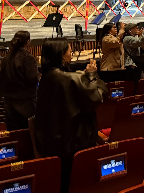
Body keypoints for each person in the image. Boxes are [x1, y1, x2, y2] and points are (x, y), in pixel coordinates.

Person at [34, 39, 107, 193]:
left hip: (52, 143)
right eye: (69, 50)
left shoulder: (46, 77)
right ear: (61, 54)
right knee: (76, 183)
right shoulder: (68, 79)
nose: (71, 53)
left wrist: (85, 76)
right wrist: (93, 75)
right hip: (72, 144)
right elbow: (98, 96)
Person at [0, 31, 38, 131]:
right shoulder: (27, 58)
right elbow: (32, 79)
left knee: (14, 133)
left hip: (9, 101)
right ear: (28, 42)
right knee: (29, 132)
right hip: (26, 102)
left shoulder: (6, 58)